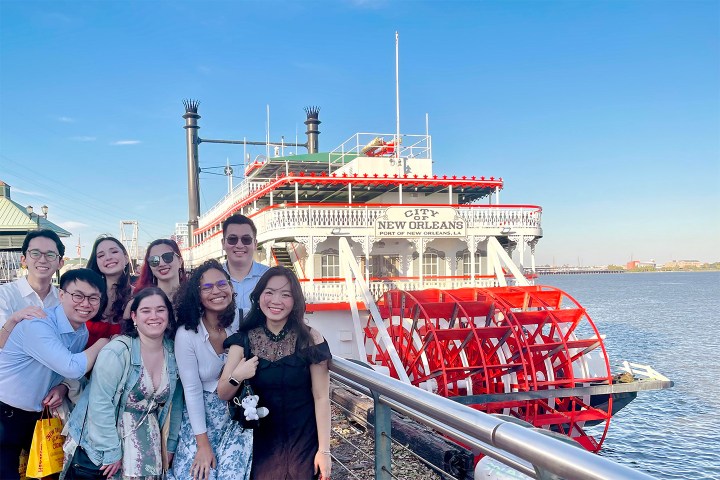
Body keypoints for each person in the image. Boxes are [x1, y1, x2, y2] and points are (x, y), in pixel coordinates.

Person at [220, 266, 331, 480]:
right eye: (269, 292)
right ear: (259, 296)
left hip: (303, 443)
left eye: (285, 294)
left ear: (295, 301)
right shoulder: (243, 340)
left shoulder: (310, 339)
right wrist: (238, 375)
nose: (276, 300)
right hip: (260, 446)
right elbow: (223, 392)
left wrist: (324, 451)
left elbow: (321, 397)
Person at [61, 287, 184, 480]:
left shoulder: (173, 353)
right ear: (134, 316)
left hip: (147, 446)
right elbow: (99, 403)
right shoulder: (117, 352)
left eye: (160, 310)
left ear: (168, 314)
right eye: (146, 310)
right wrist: (110, 451)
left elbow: (175, 403)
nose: (154, 316)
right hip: (104, 443)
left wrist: (169, 445)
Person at [0, 268, 110, 479]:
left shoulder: (81, 330)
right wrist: (102, 344)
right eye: (78, 295)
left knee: (48, 473)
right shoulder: (39, 325)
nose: (85, 303)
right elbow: (72, 366)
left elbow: (61, 372)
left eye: (93, 298)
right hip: (6, 413)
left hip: (37, 415)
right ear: (61, 295)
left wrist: (61, 387)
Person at [168, 260, 252, 480]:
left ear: (231, 288)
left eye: (221, 283)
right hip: (203, 418)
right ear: (197, 295)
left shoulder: (240, 323)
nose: (216, 291)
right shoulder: (187, 334)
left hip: (237, 415)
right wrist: (202, 444)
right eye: (207, 287)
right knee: (197, 474)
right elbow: (192, 390)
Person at [0, 229, 65, 349]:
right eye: (35, 253)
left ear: (60, 263)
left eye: (50, 255)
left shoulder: (63, 301)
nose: (42, 260)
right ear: (24, 260)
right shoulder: (4, 295)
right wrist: (14, 320)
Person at [86, 235, 133, 346]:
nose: (108, 258)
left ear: (126, 258)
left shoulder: (138, 297)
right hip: (82, 361)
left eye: (114, 252)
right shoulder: (85, 296)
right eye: (101, 255)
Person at [221, 214, 269, 317]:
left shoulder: (269, 277)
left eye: (246, 239)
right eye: (232, 239)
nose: (239, 245)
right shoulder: (212, 278)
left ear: (255, 244)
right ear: (223, 244)